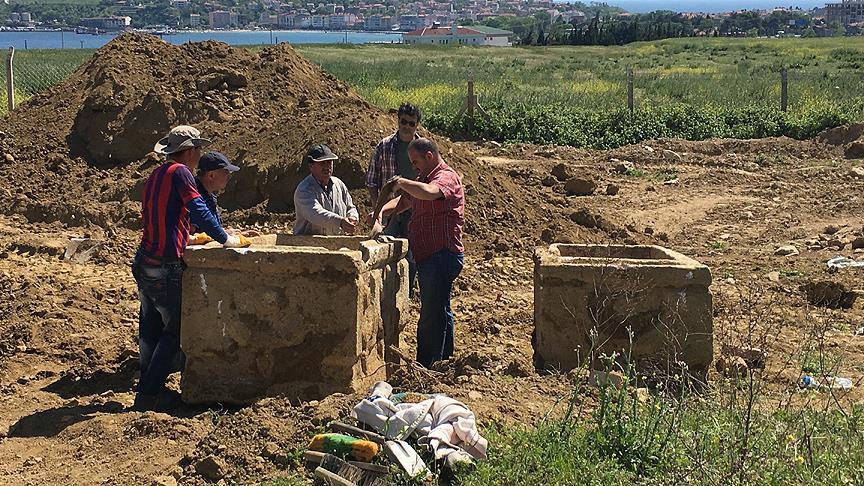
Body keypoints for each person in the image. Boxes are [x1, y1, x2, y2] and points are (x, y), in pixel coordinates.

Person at [132, 125, 250, 412]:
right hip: (165, 263)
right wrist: (225, 238)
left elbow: (166, 216)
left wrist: (193, 234)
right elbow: (197, 209)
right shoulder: (182, 173)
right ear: (190, 151)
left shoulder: (156, 174)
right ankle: (149, 394)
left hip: (144, 258)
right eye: (197, 149)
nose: (199, 154)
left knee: (150, 326)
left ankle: (146, 384)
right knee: (176, 331)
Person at [373, 138, 465, 367]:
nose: (414, 166)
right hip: (430, 255)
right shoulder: (422, 179)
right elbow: (403, 203)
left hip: (441, 255)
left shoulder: (445, 177)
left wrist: (400, 182)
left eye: (416, 162)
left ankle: (426, 366)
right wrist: (379, 213)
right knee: (440, 309)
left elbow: (430, 193)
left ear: (429, 156)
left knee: (431, 316)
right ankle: (443, 362)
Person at [365, 103, 422, 296]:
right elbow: (372, 180)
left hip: (414, 209)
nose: (406, 126)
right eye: (403, 121)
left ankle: (408, 292)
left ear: (417, 125)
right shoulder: (385, 146)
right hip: (389, 213)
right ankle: (386, 292)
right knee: (385, 250)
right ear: (398, 121)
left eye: (411, 123)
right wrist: (378, 207)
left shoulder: (423, 149)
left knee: (413, 253)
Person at [188, 151, 260, 244]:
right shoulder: (194, 197)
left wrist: (231, 234)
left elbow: (210, 229)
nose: (229, 176)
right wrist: (226, 235)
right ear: (211, 175)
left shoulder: (209, 195)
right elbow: (193, 234)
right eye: (226, 172)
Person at [293, 143, 360, 236]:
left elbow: (350, 207)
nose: (326, 166)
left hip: (335, 244)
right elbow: (315, 214)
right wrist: (340, 222)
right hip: (309, 245)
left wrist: (353, 217)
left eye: (329, 162)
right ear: (311, 166)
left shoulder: (339, 185)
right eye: (322, 163)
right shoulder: (304, 190)